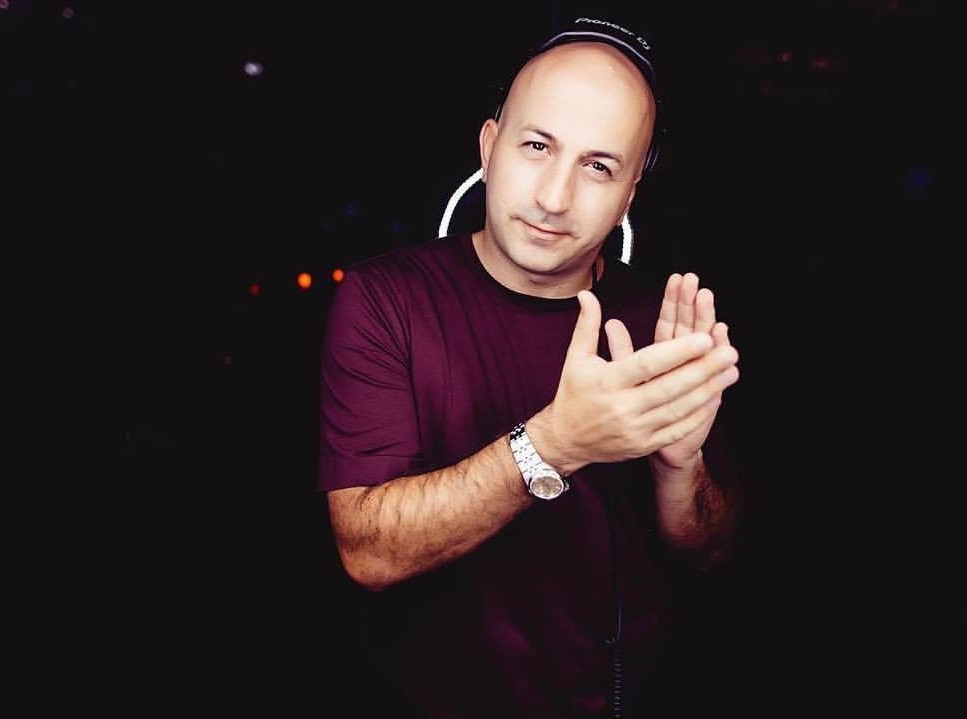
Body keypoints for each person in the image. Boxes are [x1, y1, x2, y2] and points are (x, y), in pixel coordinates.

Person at [317, 16, 743, 718]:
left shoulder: (658, 320)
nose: (553, 197)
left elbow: (712, 553)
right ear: (490, 146)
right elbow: (368, 553)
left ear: (630, 193)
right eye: (537, 146)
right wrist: (555, 444)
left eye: (598, 166)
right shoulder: (386, 299)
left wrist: (680, 466)